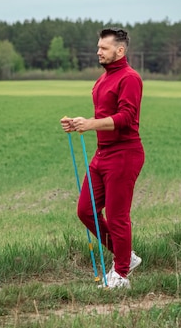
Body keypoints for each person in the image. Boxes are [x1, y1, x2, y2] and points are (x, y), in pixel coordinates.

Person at [60, 27, 145, 289]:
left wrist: (92, 124)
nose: (98, 51)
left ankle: (121, 275)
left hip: (124, 154)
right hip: (102, 154)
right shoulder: (101, 80)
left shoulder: (130, 78)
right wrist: (79, 124)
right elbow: (101, 116)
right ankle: (126, 257)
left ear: (120, 51)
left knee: (118, 217)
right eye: (98, 47)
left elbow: (126, 118)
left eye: (104, 48)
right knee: (86, 211)